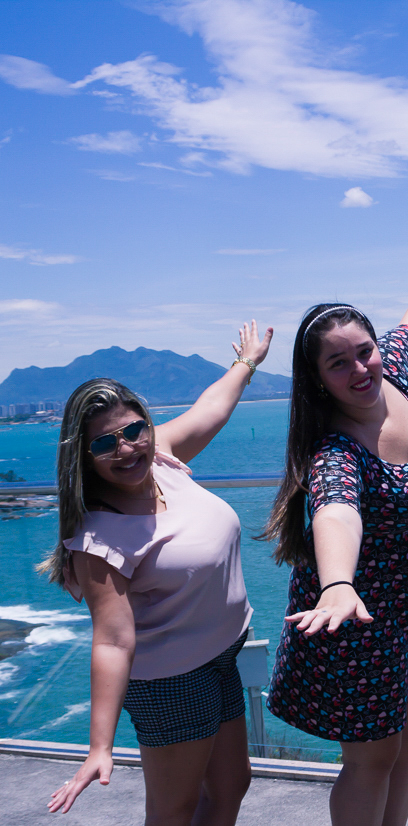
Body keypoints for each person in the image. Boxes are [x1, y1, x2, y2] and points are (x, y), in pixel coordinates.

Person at [262, 225, 408, 826]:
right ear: (317, 379)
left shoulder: (394, 376)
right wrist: (338, 583)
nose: (360, 368)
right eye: (338, 363)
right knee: (372, 759)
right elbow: (335, 509)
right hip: (357, 617)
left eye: (364, 350)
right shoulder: (336, 451)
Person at [41, 320, 274, 823]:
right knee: (174, 808)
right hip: (172, 679)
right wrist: (100, 746)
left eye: (133, 430)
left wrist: (247, 362)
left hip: (220, 656)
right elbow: (112, 640)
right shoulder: (99, 536)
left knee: (231, 785)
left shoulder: (159, 459)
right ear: (83, 457)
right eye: (104, 444)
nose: (126, 448)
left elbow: (211, 409)